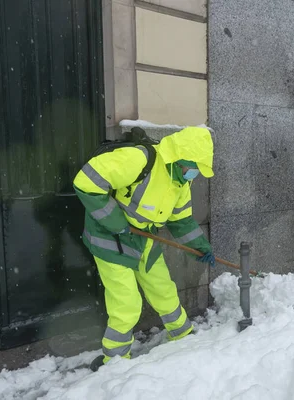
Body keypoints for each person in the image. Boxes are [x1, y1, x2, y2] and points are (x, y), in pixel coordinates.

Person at [73, 126, 216, 370]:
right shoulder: (140, 159)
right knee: (126, 302)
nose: (194, 174)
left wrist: (201, 247)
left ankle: (182, 335)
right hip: (110, 238)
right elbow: (86, 180)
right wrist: (115, 221)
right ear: (181, 158)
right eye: (193, 168)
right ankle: (115, 360)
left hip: (143, 238)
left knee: (163, 287)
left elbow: (181, 220)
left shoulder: (180, 182)